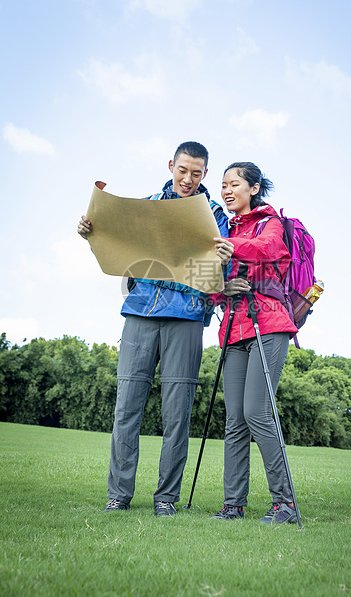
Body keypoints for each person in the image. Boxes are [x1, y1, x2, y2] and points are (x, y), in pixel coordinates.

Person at [77, 141, 233, 516]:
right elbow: (118, 249)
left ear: (205, 174)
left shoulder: (215, 215)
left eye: (196, 173)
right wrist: (90, 232)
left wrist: (224, 260)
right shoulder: (145, 205)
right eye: (182, 170)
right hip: (139, 314)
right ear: (171, 166)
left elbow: (215, 276)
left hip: (188, 318)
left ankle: (166, 498)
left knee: (177, 413)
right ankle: (119, 495)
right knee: (126, 408)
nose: (188, 178)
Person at [209, 161, 298, 525]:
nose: (227, 191)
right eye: (223, 185)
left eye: (234, 184)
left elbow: (268, 249)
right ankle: (233, 505)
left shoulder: (270, 223)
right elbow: (207, 282)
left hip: (269, 323)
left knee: (257, 413)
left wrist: (228, 245)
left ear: (254, 188)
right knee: (234, 421)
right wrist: (221, 290)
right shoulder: (221, 230)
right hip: (233, 330)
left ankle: (285, 504)